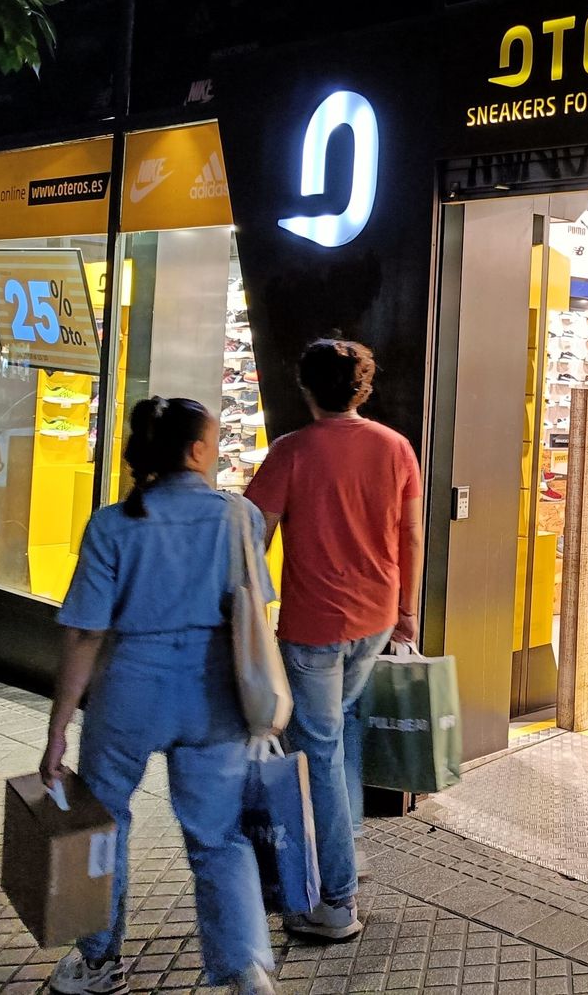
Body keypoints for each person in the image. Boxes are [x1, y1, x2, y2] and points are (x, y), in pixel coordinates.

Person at [41, 397, 277, 995]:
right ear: (197, 451)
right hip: (214, 692)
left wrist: (58, 728)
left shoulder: (112, 523)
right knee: (218, 836)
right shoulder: (240, 517)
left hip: (129, 690)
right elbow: (255, 608)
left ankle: (98, 962)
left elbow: (86, 633)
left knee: (104, 823)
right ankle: (247, 966)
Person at [245, 339, 423, 941]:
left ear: (305, 386)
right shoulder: (395, 447)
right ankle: (350, 846)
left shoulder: (291, 452)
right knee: (340, 730)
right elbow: (411, 535)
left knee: (317, 751)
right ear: (362, 389)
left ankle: (338, 900)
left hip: (314, 626)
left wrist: (247, 611)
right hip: (376, 618)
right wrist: (406, 612)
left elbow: (254, 534)